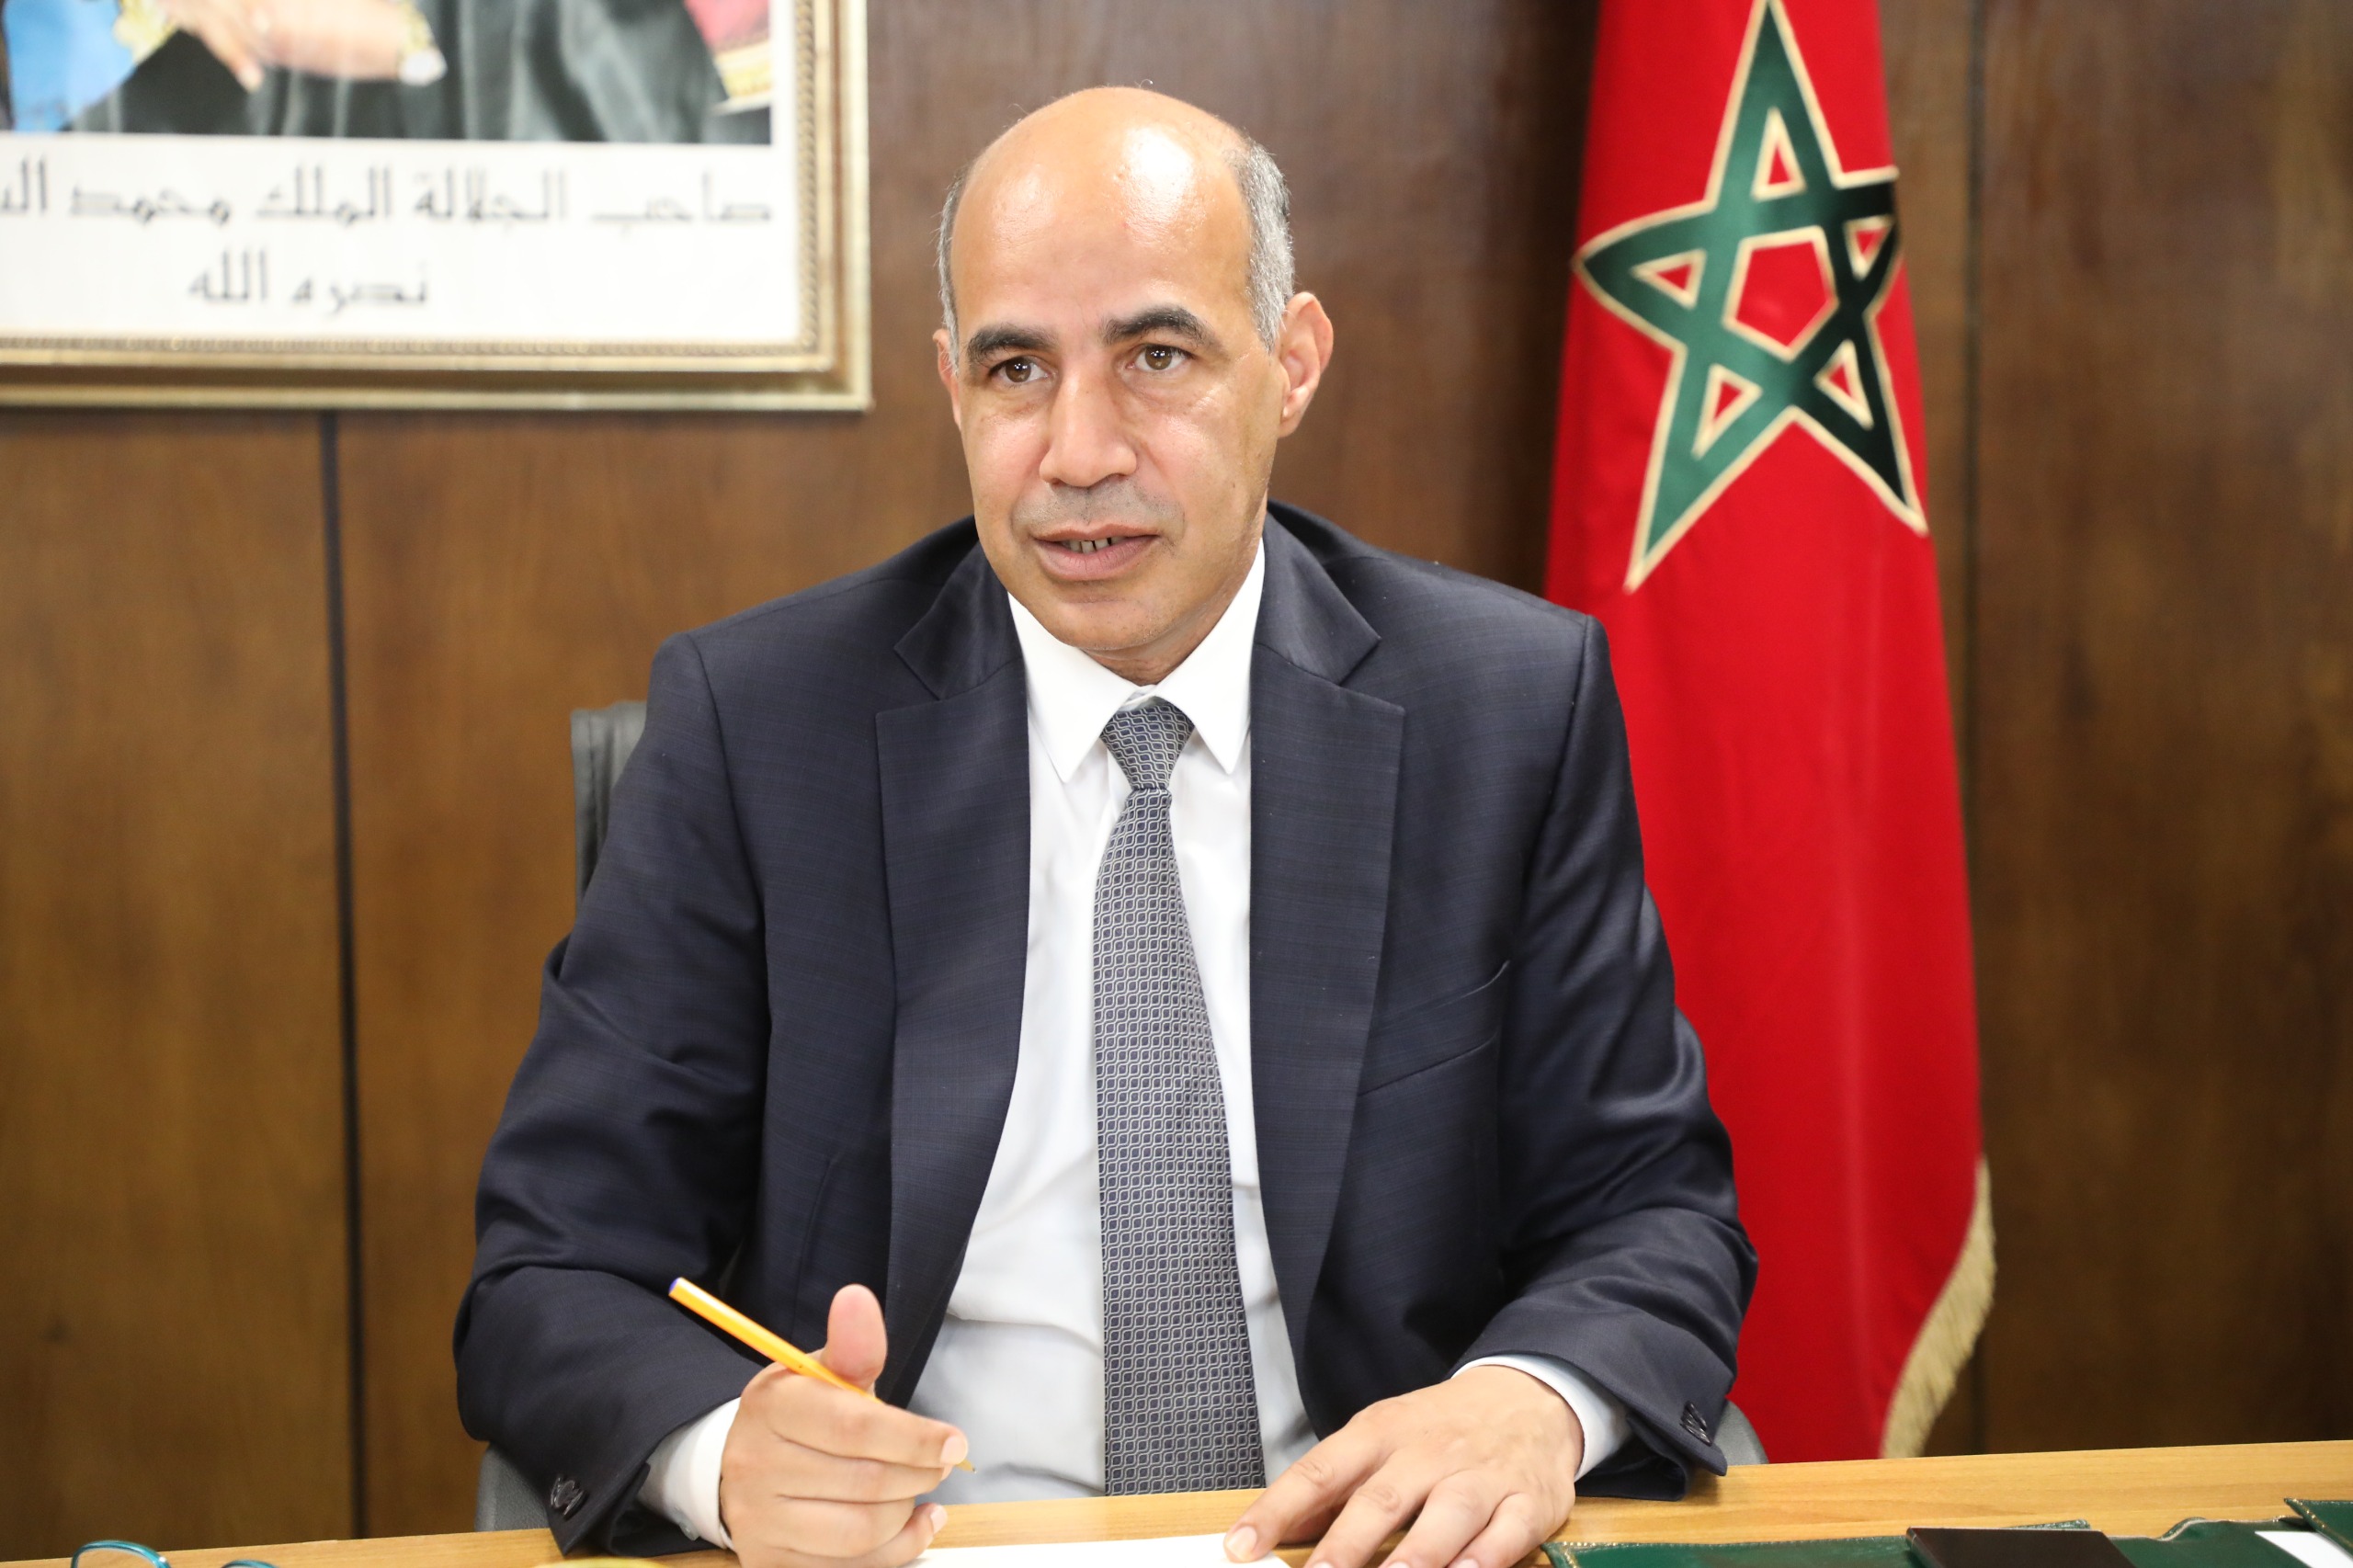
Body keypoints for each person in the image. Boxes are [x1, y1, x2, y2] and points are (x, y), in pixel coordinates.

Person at [456, 86, 1754, 1568]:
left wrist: (1526, 1401)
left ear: (1292, 365)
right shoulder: (760, 730)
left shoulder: (1505, 711)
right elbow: (548, 1270)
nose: (1078, 452)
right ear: (953, 385)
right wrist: (726, 1455)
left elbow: (1653, 1211)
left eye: (1155, 357)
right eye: (1017, 369)